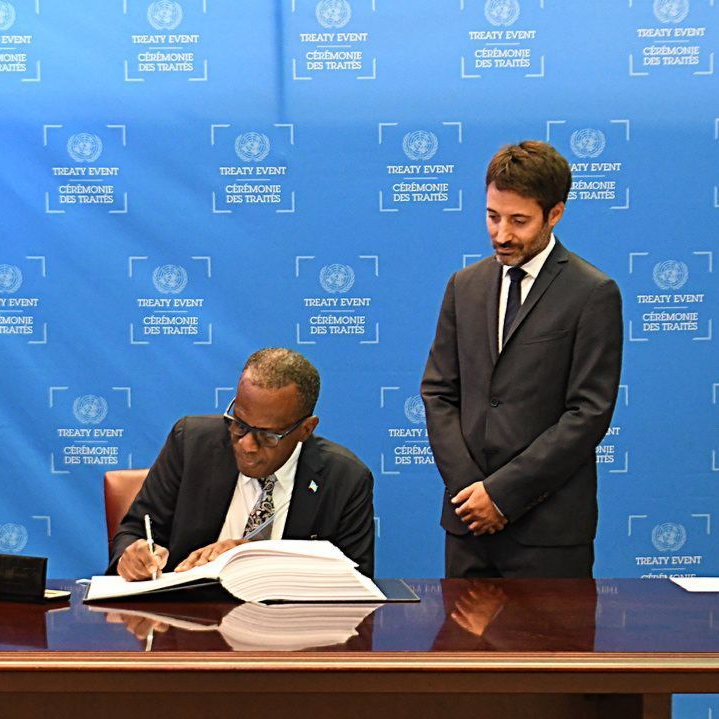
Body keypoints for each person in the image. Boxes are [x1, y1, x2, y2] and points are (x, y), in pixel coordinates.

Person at [420, 140, 622, 578]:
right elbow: (438, 392)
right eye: (492, 216)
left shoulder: (592, 293)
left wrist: (502, 495)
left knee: (548, 649)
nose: (502, 234)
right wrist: (469, 492)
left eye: (519, 221)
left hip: (548, 535)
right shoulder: (464, 286)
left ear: (555, 214)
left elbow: (588, 413)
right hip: (466, 527)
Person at [109, 348, 375, 580]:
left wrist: (252, 558)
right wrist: (132, 558)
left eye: (268, 436)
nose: (247, 444)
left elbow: (355, 580)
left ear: (306, 429)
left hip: (291, 630)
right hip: (189, 622)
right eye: (239, 424)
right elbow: (133, 532)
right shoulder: (191, 443)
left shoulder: (345, 479)